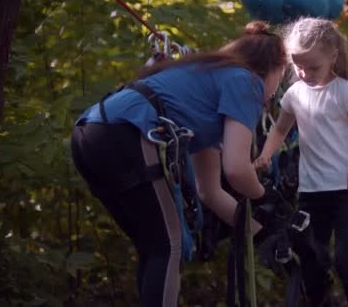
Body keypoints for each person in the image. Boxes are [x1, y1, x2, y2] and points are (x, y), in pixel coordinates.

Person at [71, 21, 286, 307]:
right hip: (124, 133)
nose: (274, 92)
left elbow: (210, 191)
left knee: (154, 247)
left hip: (90, 132)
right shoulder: (246, 81)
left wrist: (262, 231)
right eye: (280, 77)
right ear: (271, 67)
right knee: (167, 246)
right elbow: (236, 170)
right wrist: (267, 198)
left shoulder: (208, 81)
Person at [254, 17, 348, 307]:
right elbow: (281, 129)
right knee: (313, 259)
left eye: (313, 67)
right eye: (298, 66)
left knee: (347, 262)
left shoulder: (344, 91)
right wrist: (265, 154)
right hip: (311, 191)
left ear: (333, 55)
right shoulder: (294, 94)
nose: (305, 73)